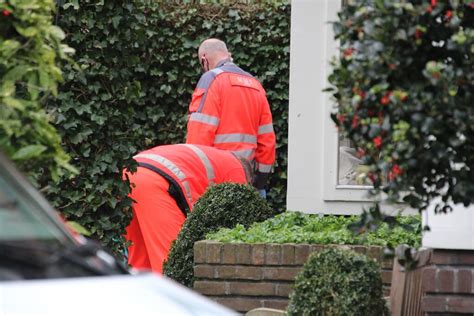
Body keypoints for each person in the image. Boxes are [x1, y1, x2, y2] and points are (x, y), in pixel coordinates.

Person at [124, 144, 253, 273]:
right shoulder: (236, 168)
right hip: (153, 183)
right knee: (174, 262)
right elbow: (237, 214)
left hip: (129, 174)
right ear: (249, 177)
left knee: (140, 262)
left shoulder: (213, 157)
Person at [185, 38, 276, 198]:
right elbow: (267, 141)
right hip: (248, 182)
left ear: (204, 60)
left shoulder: (211, 79)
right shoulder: (255, 85)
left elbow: (199, 135)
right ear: (228, 54)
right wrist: (260, 182)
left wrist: (193, 176)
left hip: (217, 182)